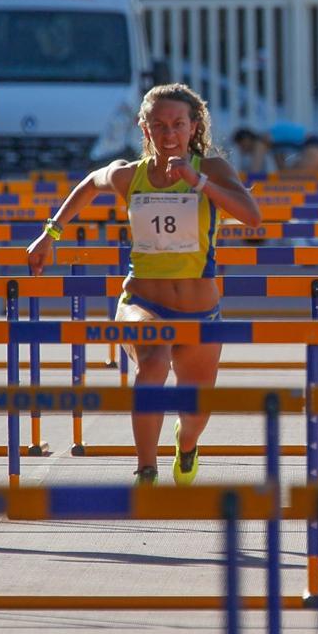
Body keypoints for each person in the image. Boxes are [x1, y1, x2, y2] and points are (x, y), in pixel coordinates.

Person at [27, 84, 261, 484]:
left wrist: (197, 182)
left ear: (193, 127)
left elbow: (252, 217)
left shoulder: (212, 169)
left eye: (177, 124)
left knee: (195, 411)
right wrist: (50, 234)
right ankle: (146, 471)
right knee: (153, 363)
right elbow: (90, 183)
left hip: (201, 311)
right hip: (142, 301)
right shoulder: (130, 175)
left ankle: (186, 444)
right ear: (144, 127)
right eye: (159, 125)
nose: (168, 134)